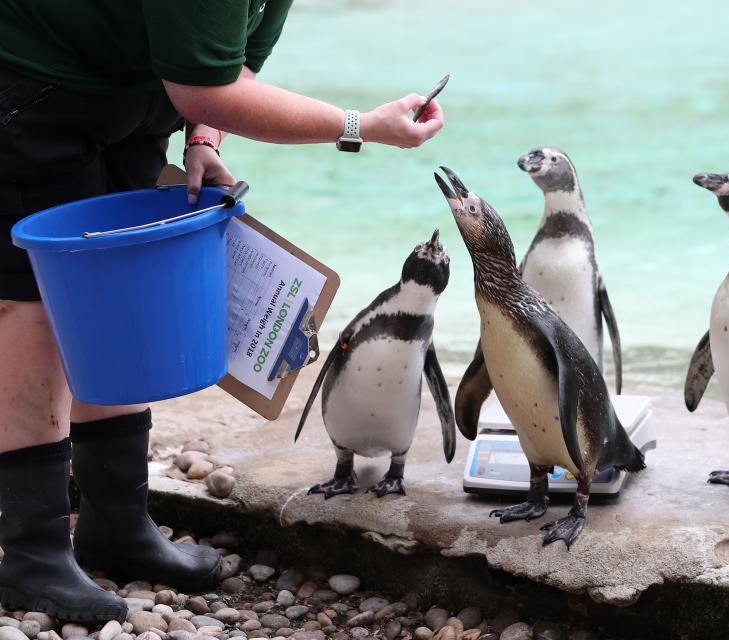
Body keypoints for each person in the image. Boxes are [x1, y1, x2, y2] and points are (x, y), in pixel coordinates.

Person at [0, 0, 444, 622]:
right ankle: (32, 555)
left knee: (118, 286)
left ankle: (116, 522)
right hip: (29, 83)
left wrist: (203, 140)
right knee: (32, 303)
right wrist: (359, 124)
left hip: (127, 93)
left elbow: (232, 70)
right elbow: (207, 90)